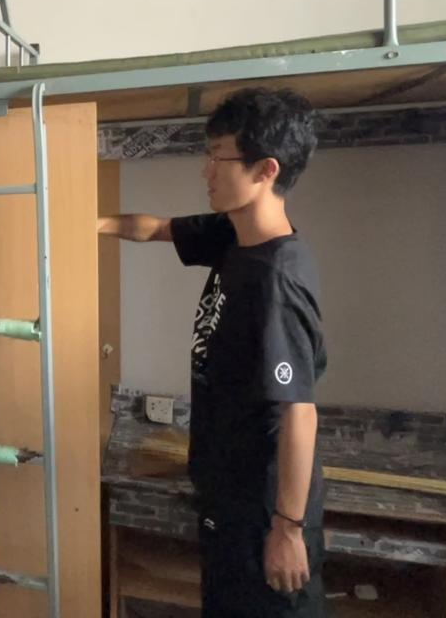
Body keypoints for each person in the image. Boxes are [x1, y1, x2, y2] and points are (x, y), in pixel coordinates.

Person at [99, 87, 327, 616]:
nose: (206, 171)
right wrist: (92, 224)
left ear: (266, 170)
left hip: (261, 510)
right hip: (226, 495)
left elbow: (299, 412)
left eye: (218, 158)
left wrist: (288, 529)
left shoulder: (275, 279)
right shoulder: (234, 235)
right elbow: (154, 228)